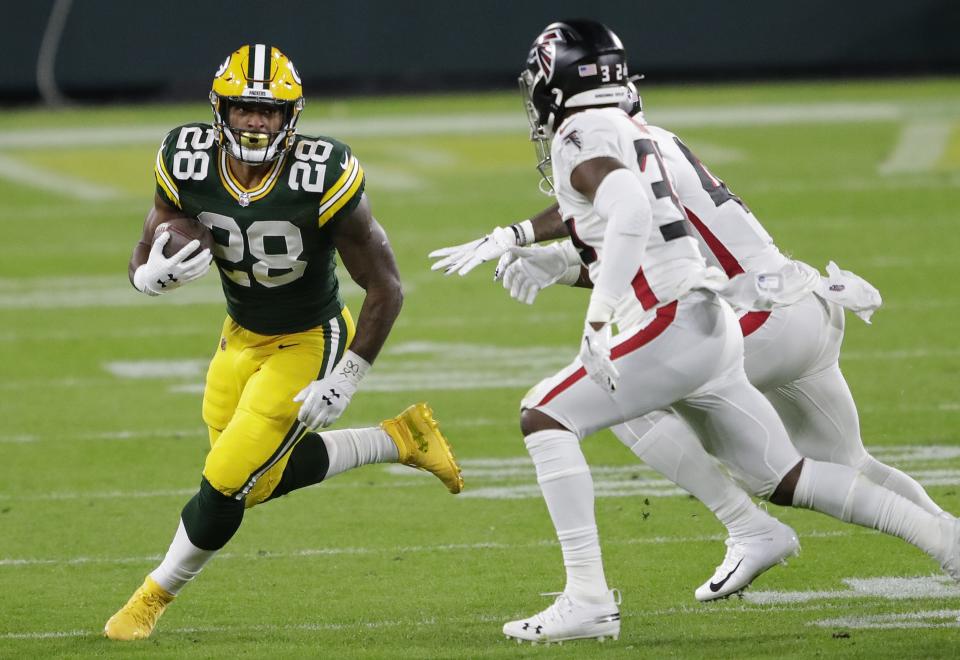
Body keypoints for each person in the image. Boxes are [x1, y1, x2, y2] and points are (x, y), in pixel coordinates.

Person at [430, 20, 959, 643]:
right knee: (810, 471)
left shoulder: (589, 136)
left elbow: (626, 213)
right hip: (785, 304)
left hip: (744, 312)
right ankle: (946, 539)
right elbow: (643, 239)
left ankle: (636, 575)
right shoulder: (643, 134)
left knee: (578, 410)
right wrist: (545, 253)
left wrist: (583, 303)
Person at [104, 44, 463, 642]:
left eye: (269, 111)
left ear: (290, 117)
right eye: (245, 108)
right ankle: (397, 439)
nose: (255, 121)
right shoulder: (185, 156)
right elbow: (153, 231)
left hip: (307, 340)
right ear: (220, 108)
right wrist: (144, 276)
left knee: (224, 481)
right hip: (238, 335)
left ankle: (149, 599)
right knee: (256, 480)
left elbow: (387, 287)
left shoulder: (322, 172)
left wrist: (346, 376)